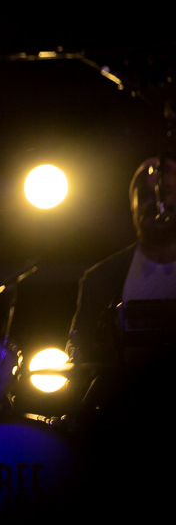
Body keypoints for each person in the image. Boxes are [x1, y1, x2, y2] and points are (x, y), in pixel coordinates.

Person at [67, 157, 176, 398]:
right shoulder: (101, 279)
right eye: (145, 195)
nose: (155, 202)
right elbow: (77, 350)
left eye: (165, 191)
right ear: (132, 205)